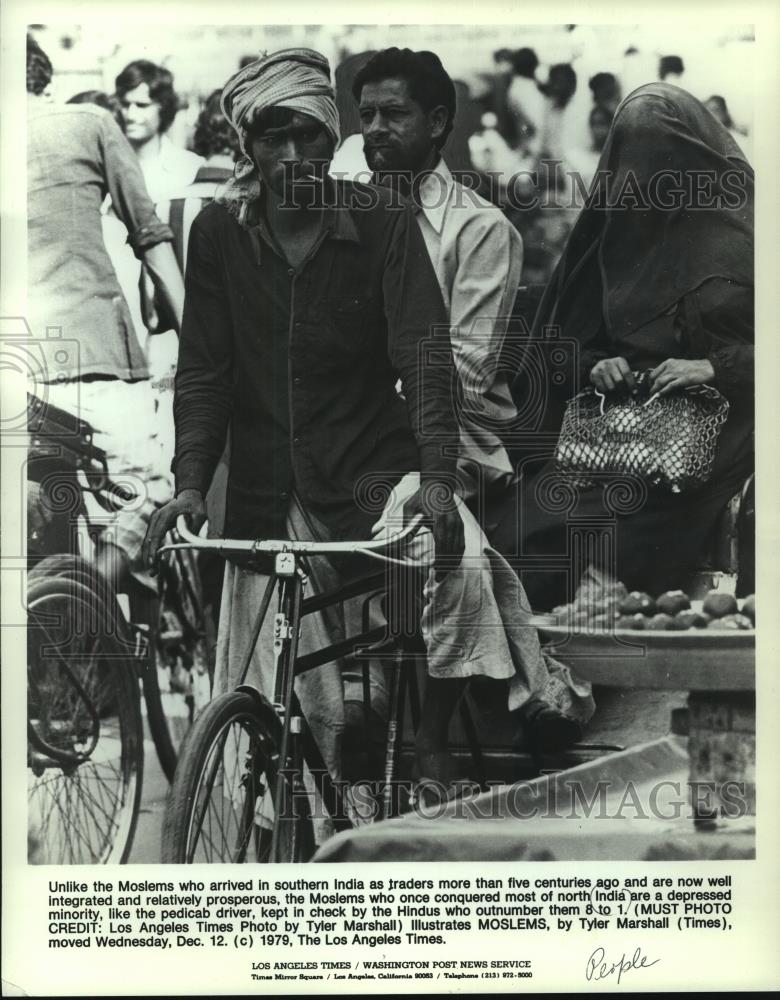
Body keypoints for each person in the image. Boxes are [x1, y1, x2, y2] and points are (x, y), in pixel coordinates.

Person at [143, 49, 593, 811]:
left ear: (330, 141)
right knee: (275, 698)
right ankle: (310, 802)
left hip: (373, 472)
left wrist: (442, 482)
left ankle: (431, 736)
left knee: (455, 560)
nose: (294, 156)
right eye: (274, 136)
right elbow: (206, 375)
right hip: (261, 484)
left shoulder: (383, 222)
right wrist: (190, 485)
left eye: (311, 138)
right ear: (247, 144)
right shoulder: (218, 232)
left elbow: (428, 364)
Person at [491, 83, 754, 609]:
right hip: (622, 429)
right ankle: (537, 680)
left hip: (725, 425)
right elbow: (568, 342)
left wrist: (711, 366)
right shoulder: (619, 230)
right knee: (522, 534)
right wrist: (597, 366)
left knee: (615, 540)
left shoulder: (751, 236)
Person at [26, 35, 185, 591]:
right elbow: (151, 238)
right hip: (93, 361)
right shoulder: (89, 123)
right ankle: (86, 599)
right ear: (44, 80)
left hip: (16, 372)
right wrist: (200, 342)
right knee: (149, 492)